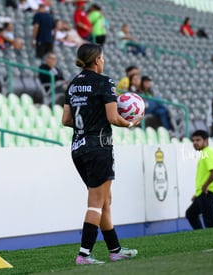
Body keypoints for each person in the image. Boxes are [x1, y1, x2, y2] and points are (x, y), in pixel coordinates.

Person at [62, 43, 139, 265]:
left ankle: (115, 250)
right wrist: (132, 123)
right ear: (97, 60)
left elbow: (66, 120)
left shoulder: (73, 85)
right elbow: (114, 118)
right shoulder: (104, 82)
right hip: (99, 147)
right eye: (102, 58)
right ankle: (84, 254)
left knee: (105, 200)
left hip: (78, 147)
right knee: (96, 202)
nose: (103, 61)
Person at [186, 130, 213, 230]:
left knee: (210, 223)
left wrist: (206, 185)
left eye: (198, 140)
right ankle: (201, 236)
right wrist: (197, 194)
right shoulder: (204, 154)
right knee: (191, 214)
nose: (195, 143)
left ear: (206, 141)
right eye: (193, 141)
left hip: (209, 192)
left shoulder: (208, 152)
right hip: (203, 193)